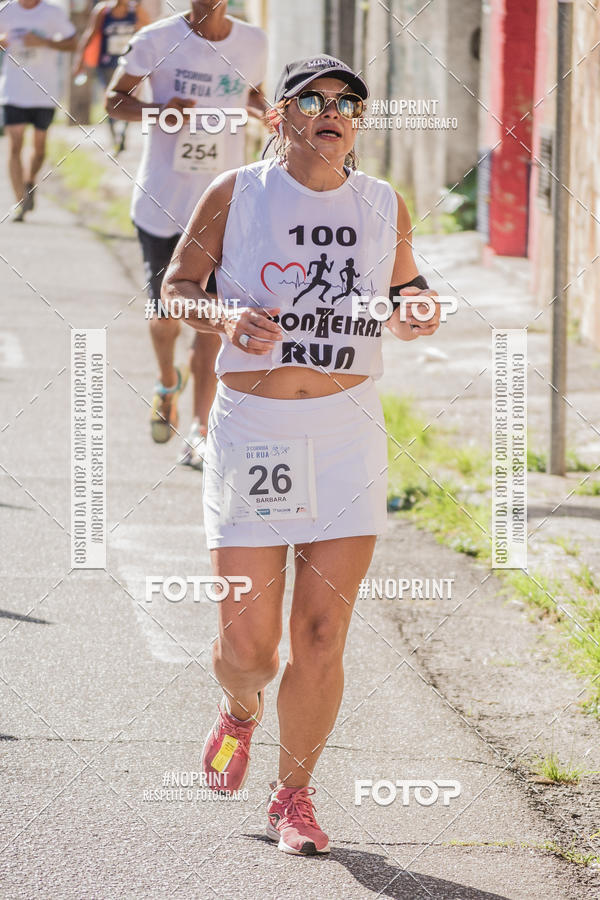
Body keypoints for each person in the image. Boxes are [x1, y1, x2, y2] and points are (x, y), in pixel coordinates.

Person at [162, 55, 441, 855]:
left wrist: (417, 306)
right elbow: (176, 286)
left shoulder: (383, 201)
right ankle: (240, 710)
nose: (333, 110)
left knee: (322, 636)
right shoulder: (237, 194)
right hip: (255, 433)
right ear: (281, 115)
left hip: (348, 433)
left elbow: (405, 288)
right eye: (313, 99)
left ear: (359, 120)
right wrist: (221, 319)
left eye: (348, 102)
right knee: (250, 649)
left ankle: (295, 797)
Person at [105, 0, 267, 466]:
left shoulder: (253, 41)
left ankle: (199, 430)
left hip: (225, 211)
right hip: (163, 204)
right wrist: (160, 112)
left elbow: (250, 94)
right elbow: (113, 101)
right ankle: (166, 381)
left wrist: (267, 111)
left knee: (211, 323)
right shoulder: (154, 39)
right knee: (164, 318)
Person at [0, 0, 77, 221]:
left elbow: (72, 44)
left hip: (44, 92)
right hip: (13, 91)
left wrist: (44, 42)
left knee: (39, 149)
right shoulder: (5, 10)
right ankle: (19, 202)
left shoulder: (53, 12)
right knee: (14, 146)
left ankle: (29, 182)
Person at [73, 0, 149, 154]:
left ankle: (123, 133)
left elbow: (148, 32)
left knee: (130, 98)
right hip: (107, 64)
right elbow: (91, 33)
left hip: (129, 65)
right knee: (110, 99)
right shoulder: (103, 11)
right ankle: (115, 138)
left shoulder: (136, 10)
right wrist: (79, 60)